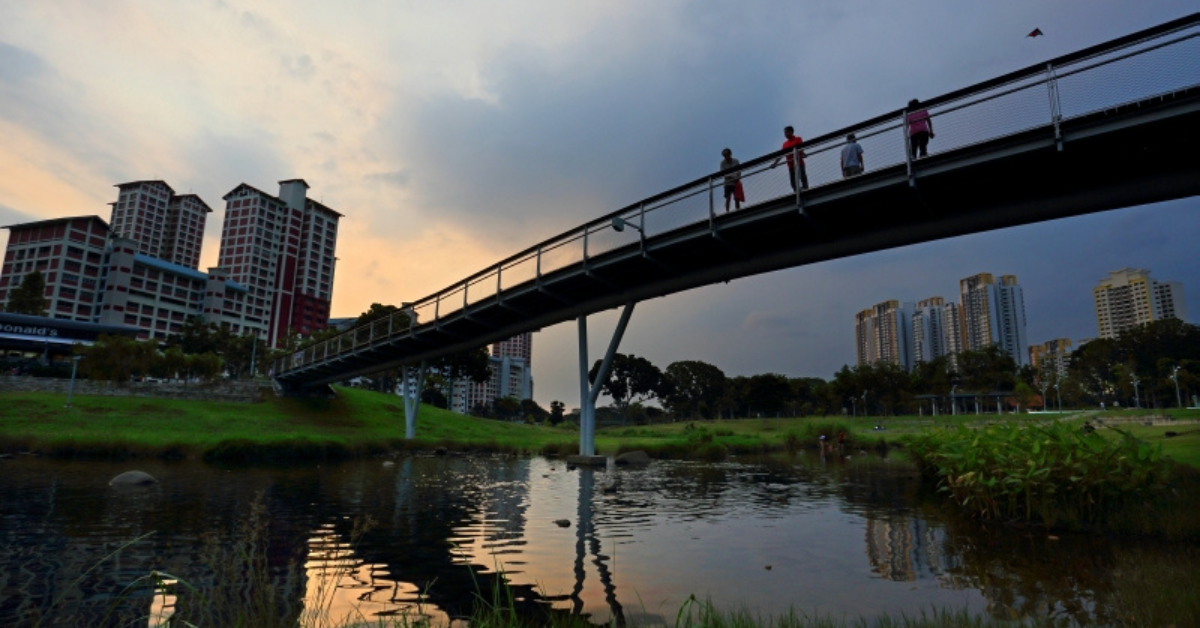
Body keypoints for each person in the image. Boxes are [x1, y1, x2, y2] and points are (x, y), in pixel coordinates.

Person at [771, 126, 808, 191]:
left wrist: (803, 154)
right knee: (793, 182)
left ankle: (806, 189)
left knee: (802, 177)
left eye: (786, 132)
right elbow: (781, 154)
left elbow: (801, 148)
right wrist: (775, 163)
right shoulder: (785, 144)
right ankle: (797, 192)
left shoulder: (798, 139)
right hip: (791, 165)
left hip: (799, 162)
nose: (785, 134)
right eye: (784, 133)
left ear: (791, 132)